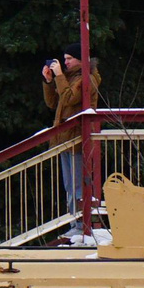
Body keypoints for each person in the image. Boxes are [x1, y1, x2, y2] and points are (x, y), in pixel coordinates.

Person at [41, 54, 93, 216]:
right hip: (65, 138)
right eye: (65, 59)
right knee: (69, 184)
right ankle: (74, 220)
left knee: (77, 184)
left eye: (70, 58)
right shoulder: (69, 78)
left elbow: (70, 98)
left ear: (80, 58)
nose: (65, 62)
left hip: (78, 137)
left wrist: (59, 76)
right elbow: (53, 103)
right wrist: (49, 81)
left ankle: (80, 221)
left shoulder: (88, 77)